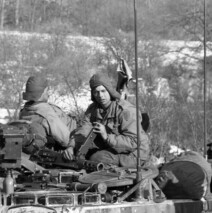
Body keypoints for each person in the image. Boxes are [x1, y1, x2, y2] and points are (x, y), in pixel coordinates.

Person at [64, 72, 150, 168]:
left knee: (96, 159)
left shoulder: (126, 110)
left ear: (109, 90)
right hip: (112, 147)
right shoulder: (93, 109)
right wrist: (71, 147)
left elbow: (133, 142)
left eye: (103, 91)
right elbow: (83, 131)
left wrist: (106, 136)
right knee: (80, 154)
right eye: (96, 92)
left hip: (134, 153)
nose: (100, 95)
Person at [19, 75, 77, 152]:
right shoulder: (46, 113)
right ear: (41, 92)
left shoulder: (24, 111)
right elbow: (65, 140)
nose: (48, 94)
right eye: (47, 91)